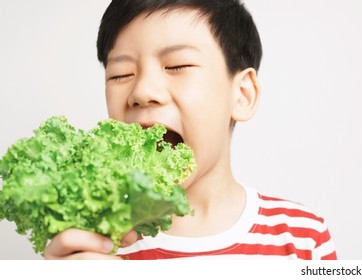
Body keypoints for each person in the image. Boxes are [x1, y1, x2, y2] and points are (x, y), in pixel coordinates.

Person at [42, 0, 337, 260]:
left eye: (177, 66)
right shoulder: (91, 244)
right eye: (121, 74)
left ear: (241, 95)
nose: (142, 91)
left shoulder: (302, 239)